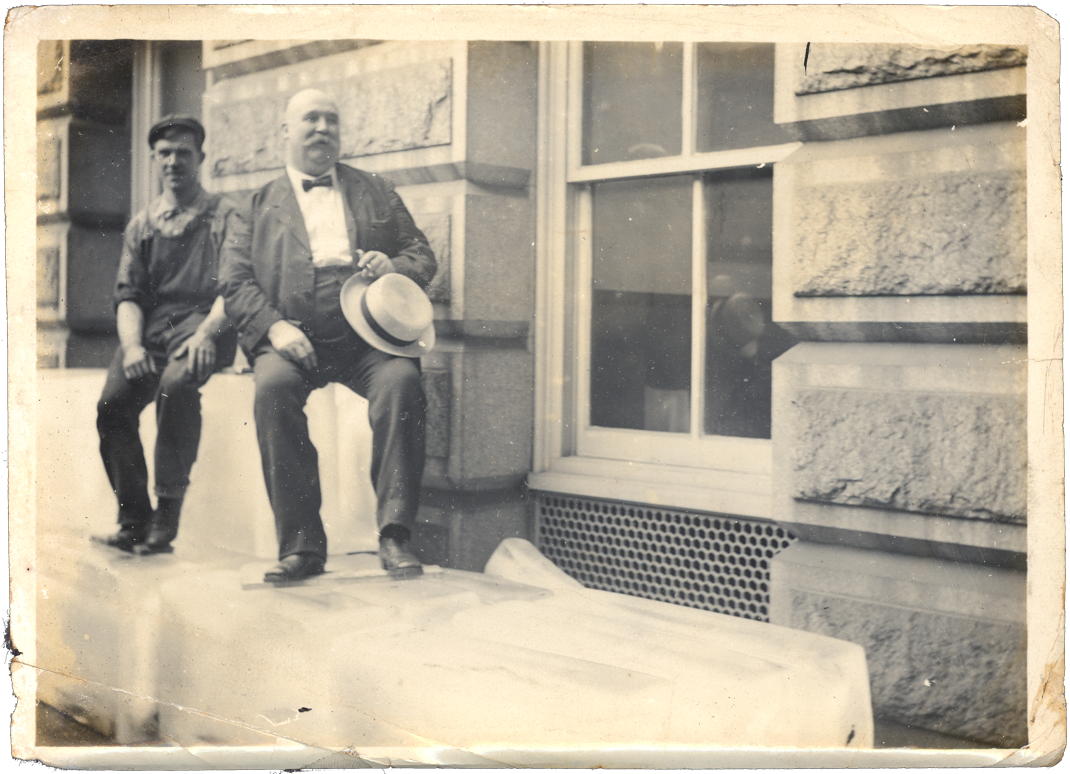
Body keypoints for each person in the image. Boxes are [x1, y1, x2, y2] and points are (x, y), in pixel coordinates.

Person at [220, 89, 437, 584]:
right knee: (273, 389)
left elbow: (422, 253)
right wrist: (273, 327)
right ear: (286, 132)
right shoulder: (253, 205)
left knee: (402, 382)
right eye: (310, 119)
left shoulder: (375, 190)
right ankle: (301, 546)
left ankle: (395, 534)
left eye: (331, 120)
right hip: (292, 336)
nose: (322, 128)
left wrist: (394, 265)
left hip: (370, 340)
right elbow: (233, 281)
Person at [94, 115, 236, 555]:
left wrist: (207, 334)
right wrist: (132, 345)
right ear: (155, 159)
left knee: (176, 387)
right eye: (165, 153)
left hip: (204, 323)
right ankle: (134, 518)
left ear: (201, 158)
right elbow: (129, 294)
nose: (174, 161)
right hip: (158, 328)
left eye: (184, 153)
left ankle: (168, 511)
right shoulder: (142, 224)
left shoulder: (223, 216)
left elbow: (235, 286)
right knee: (112, 405)